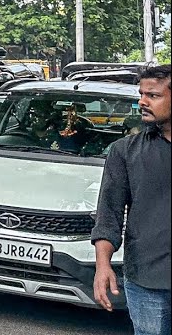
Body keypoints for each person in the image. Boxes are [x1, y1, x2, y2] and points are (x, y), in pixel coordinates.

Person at [92, 63, 170, 334]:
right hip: (146, 282)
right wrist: (102, 266)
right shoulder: (124, 151)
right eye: (141, 94)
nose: (142, 102)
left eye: (153, 95)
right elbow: (108, 214)